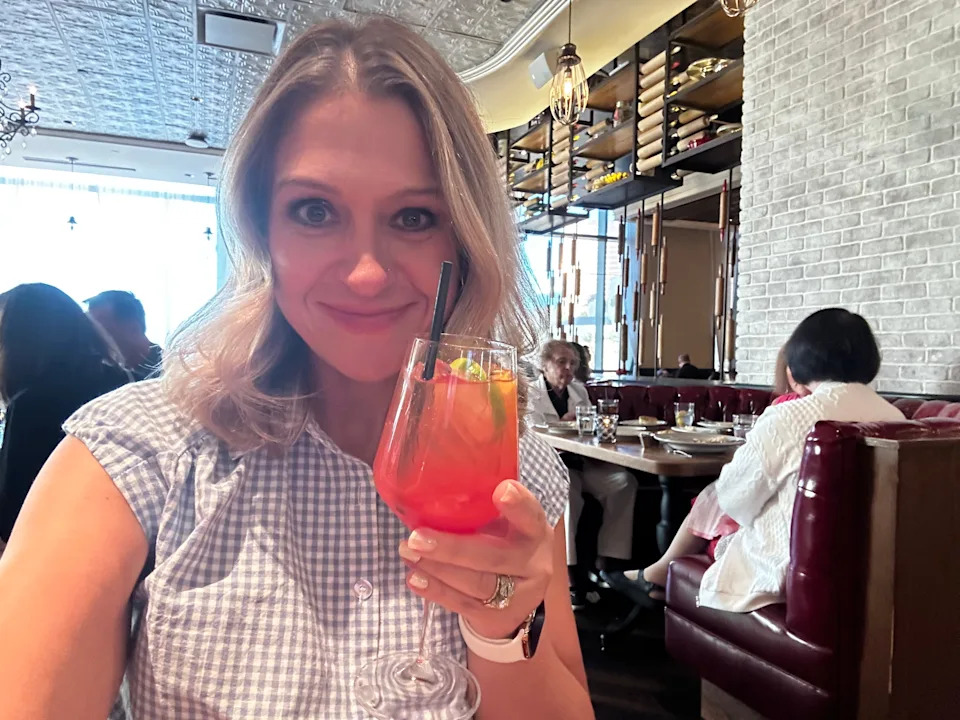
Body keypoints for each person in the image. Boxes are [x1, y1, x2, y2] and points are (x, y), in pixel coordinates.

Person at [0, 19, 593, 720]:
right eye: (315, 211)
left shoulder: (515, 472)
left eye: (413, 217)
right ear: (263, 232)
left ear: (463, 240)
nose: (367, 273)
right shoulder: (138, 455)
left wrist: (499, 627)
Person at [606, 309, 903, 611]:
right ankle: (658, 575)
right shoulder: (896, 418)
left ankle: (655, 577)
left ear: (801, 360)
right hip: (875, 570)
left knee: (717, 503)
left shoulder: (792, 416)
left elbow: (733, 497)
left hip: (789, 569)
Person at [0, 284, 130, 545]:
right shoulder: (121, 381)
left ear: (17, 342)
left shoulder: (32, 403)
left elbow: (11, 515)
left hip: (57, 551)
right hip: (124, 545)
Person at [528, 340, 637, 608]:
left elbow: (589, 432)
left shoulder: (579, 391)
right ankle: (568, 573)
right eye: (561, 362)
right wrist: (564, 424)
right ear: (544, 365)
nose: (568, 368)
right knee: (567, 492)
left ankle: (609, 562)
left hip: (584, 462)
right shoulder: (531, 393)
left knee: (623, 482)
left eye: (573, 363)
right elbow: (531, 436)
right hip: (552, 465)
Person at [86, 290, 163, 380]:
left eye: (101, 327)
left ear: (133, 328)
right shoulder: (102, 375)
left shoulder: (171, 372)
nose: (93, 335)